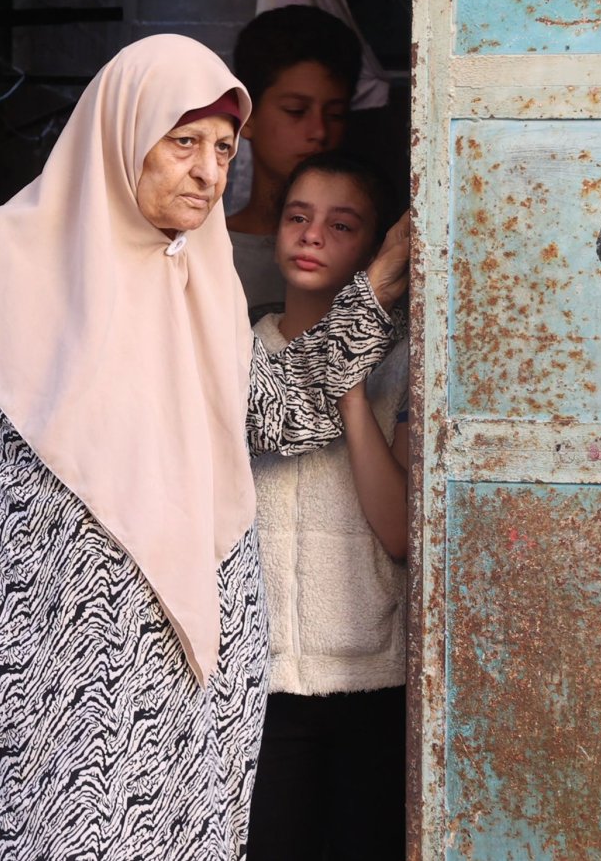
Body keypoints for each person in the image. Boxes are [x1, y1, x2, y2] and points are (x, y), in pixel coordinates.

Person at [0, 34, 409, 860]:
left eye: (224, 149)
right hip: (35, 665)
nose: (208, 172)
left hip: (187, 685)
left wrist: (377, 285)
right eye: (184, 142)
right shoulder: (3, 264)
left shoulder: (205, 281)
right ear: (123, 132)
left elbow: (275, 416)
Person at [246, 154, 409, 860]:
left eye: (340, 226)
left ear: (376, 253)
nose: (312, 235)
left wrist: (346, 383)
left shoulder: (405, 365)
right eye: (297, 217)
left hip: (373, 681)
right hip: (259, 683)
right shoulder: (236, 355)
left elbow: (400, 531)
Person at [225, 5, 362, 323]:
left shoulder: (364, 254)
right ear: (247, 116)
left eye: (336, 114)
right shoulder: (198, 250)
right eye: (296, 110)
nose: (319, 132)